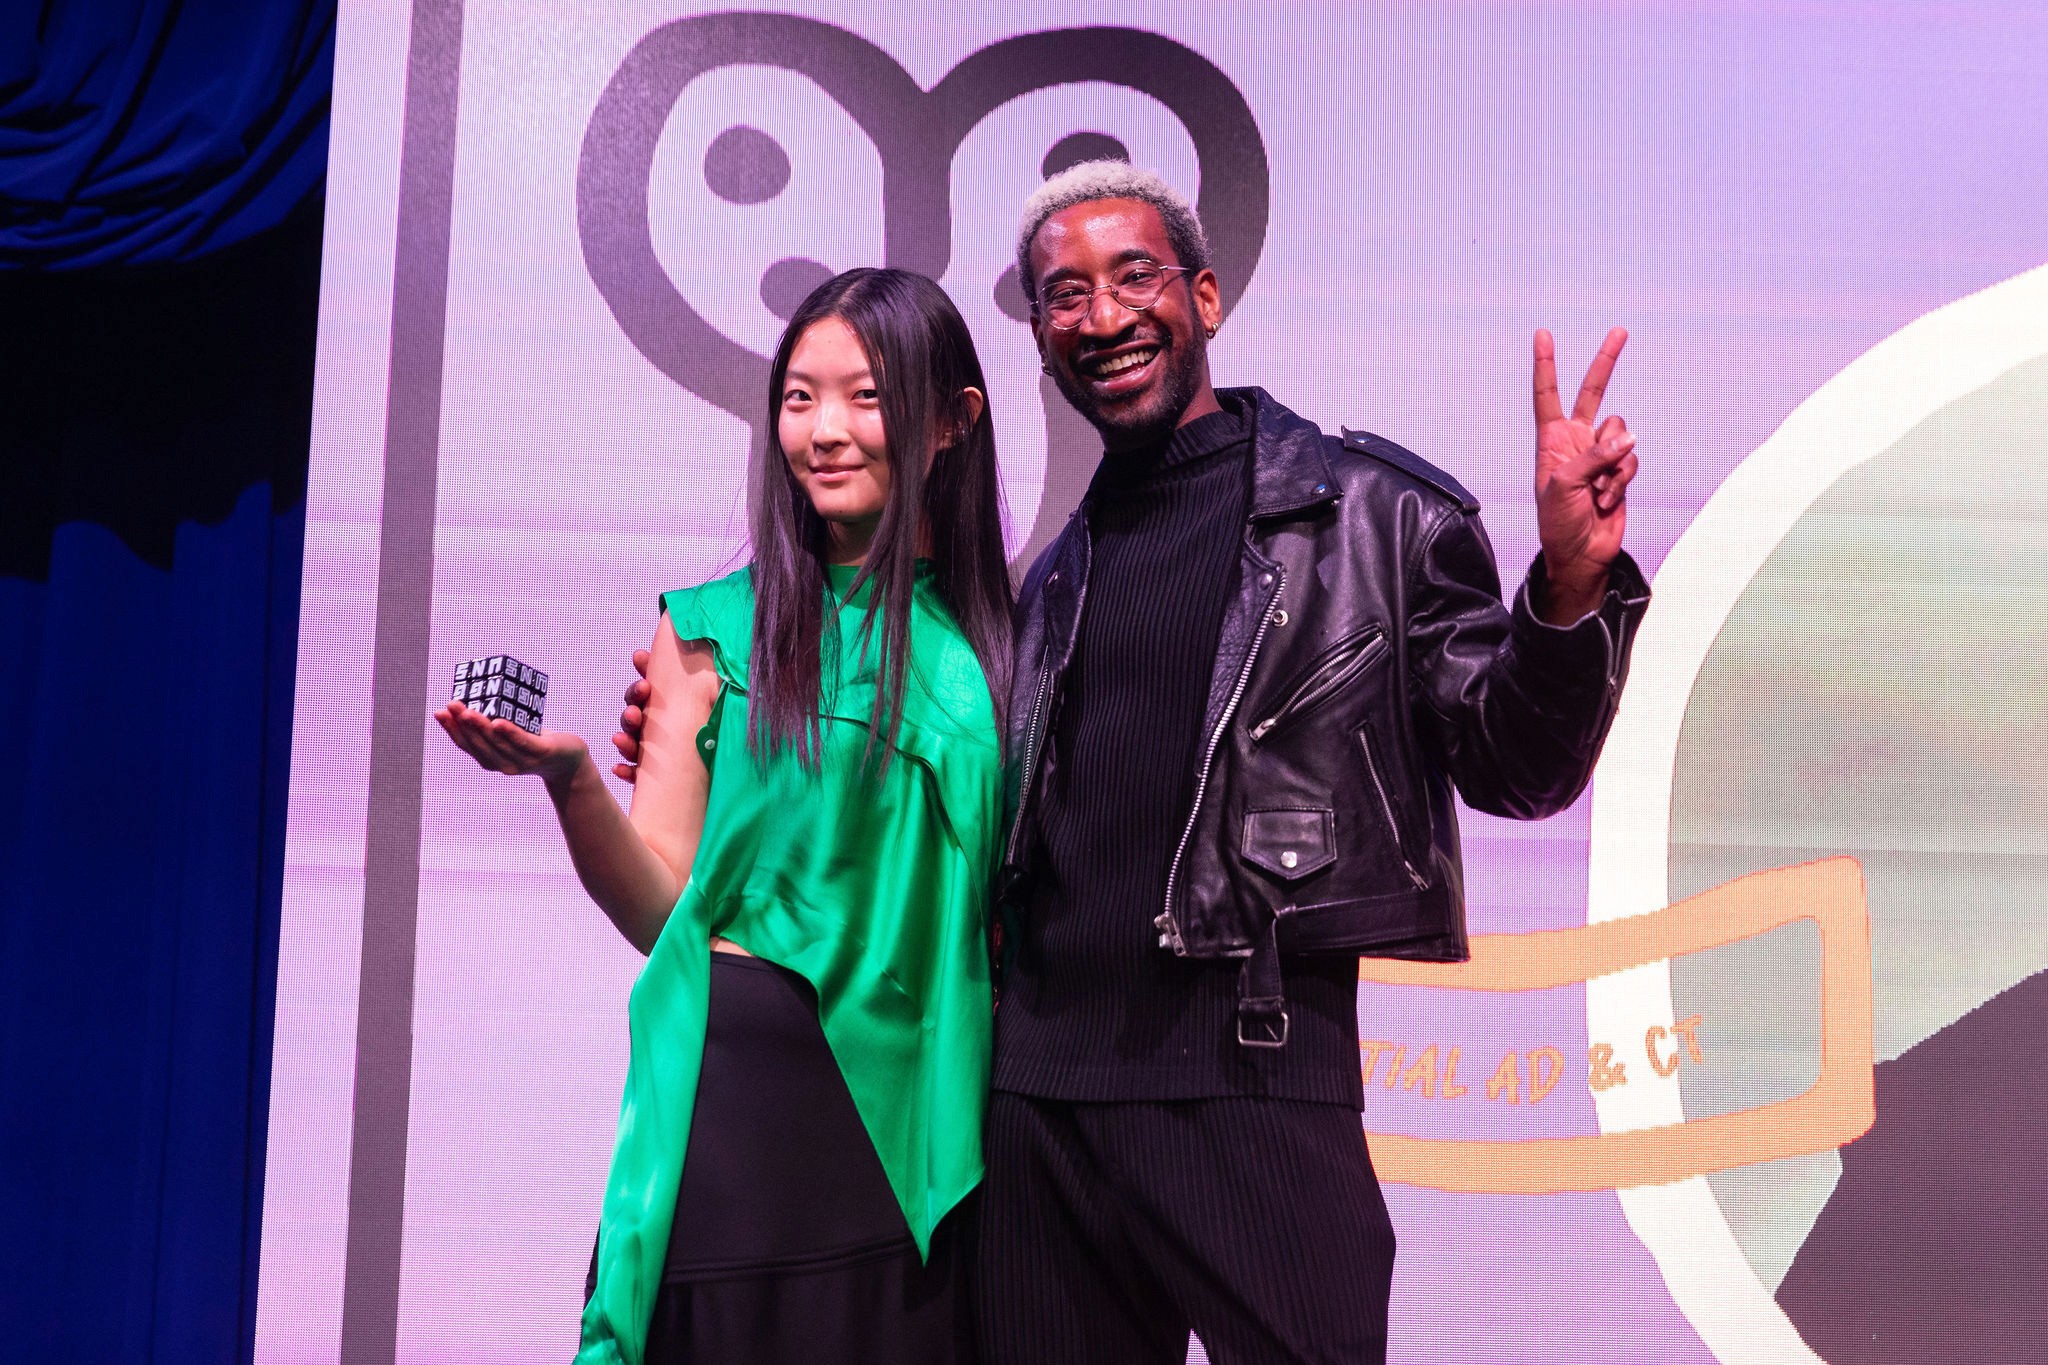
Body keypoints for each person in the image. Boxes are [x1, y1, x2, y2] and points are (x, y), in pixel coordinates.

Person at [617, 164, 1649, 1363]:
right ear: (1040, 340)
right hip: (1034, 1112)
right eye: (1064, 295)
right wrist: (705, 736)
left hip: (1252, 1085)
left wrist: (1568, 585)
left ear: (1202, 297)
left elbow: (1516, 764)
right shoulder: (1042, 584)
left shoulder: (1373, 516)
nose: (1102, 315)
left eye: (1132, 276)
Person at [437, 267, 1012, 1365]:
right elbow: (663, 909)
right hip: (735, 1119)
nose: (824, 430)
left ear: (951, 420)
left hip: (920, 1136)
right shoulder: (707, 633)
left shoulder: (1007, 654)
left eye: (866, 396)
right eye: (799, 398)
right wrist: (572, 782)